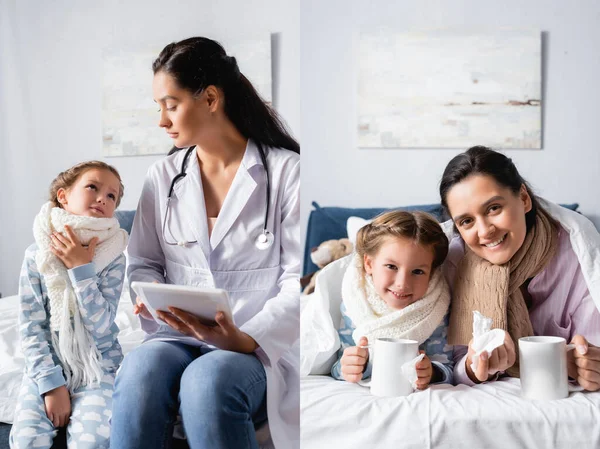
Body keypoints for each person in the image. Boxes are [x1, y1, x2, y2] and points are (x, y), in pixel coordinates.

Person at [109, 37, 300, 449]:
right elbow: (142, 261)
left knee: (208, 381)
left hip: (253, 344)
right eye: (158, 107)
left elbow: (296, 281)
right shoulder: (164, 177)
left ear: (210, 98)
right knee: (140, 370)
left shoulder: (286, 173)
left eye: (170, 104)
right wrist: (149, 297)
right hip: (175, 335)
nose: (162, 120)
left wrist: (245, 338)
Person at [440, 145, 600, 389]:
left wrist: (588, 364)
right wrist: (474, 367)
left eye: (493, 208)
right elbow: (453, 363)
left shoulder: (576, 251)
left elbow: (592, 348)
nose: (484, 231)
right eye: (466, 221)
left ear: (524, 198)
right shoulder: (454, 261)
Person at [10, 161, 128, 449]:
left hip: (97, 367)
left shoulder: (115, 257)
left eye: (112, 196)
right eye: (92, 187)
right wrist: (51, 383)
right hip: (48, 364)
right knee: (26, 441)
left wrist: (81, 269)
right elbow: (31, 325)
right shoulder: (37, 254)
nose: (102, 198)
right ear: (63, 196)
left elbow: (101, 327)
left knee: (93, 442)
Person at [331, 211, 454, 388]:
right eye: (391, 266)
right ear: (369, 264)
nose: (402, 284)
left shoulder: (436, 307)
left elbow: (448, 368)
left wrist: (432, 372)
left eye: (418, 271)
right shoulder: (354, 304)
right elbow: (338, 367)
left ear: (432, 273)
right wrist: (354, 366)